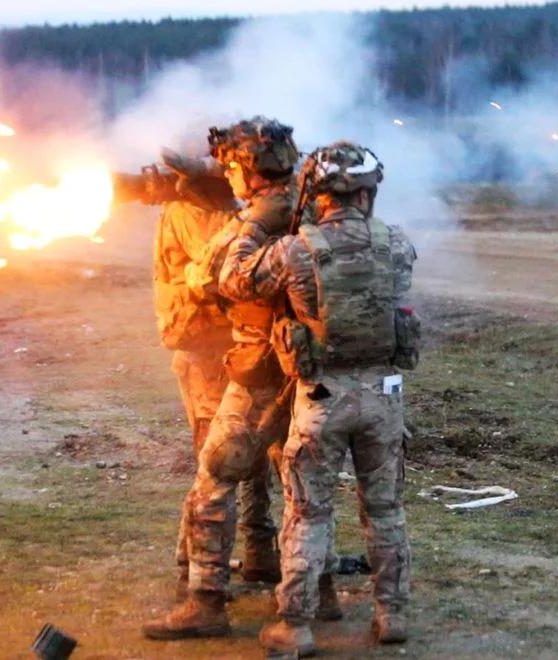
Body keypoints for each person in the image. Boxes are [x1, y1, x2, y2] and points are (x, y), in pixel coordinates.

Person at [217, 141, 421, 655]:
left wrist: (252, 224)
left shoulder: (295, 250)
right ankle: (391, 615)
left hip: (320, 399)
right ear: (369, 190)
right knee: (387, 510)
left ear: (317, 191)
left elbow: (232, 279)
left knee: (308, 514)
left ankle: (296, 625)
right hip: (383, 397)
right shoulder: (396, 243)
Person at [142, 117, 342, 640]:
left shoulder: (258, 216)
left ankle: (206, 602)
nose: (227, 176)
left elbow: (209, 276)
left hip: (260, 369)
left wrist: (242, 227)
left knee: (214, 478)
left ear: (249, 172)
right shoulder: (316, 204)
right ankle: (319, 593)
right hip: (309, 370)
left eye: (232, 167)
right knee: (302, 486)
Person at [115, 153, 280, 600]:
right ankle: (195, 561)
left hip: (241, 346)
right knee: (217, 456)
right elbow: (214, 275)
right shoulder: (193, 211)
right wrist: (257, 221)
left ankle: (260, 548)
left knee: (259, 448)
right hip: (206, 346)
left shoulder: (224, 209)